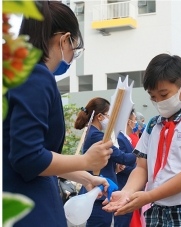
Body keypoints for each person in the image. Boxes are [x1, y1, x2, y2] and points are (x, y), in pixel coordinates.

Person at [3, 2, 113, 227]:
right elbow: (28, 158)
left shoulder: (19, 72)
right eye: (75, 48)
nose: (73, 55)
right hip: (30, 207)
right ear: (64, 40)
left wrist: (84, 176)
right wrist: (86, 160)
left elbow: (36, 154)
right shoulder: (37, 75)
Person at [103, 54, 181, 226]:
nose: (159, 102)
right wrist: (127, 192)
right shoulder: (152, 126)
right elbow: (142, 167)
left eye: (164, 94)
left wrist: (149, 196)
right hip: (158, 209)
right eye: (153, 97)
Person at [74, 97, 137, 227]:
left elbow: (100, 161)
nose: (110, 119)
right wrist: (142, 153)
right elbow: (122, 157)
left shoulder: (91, 133)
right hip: (99, 192)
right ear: (100, 117)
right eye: (108, 115)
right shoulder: (96, 135)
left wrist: (114, 167)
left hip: (98, 191)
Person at [114, 109, 141, 227]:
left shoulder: (126, 138)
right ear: (128, 121)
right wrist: (139, 170)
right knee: (122, 220)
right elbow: (122, 166)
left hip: (129, 185)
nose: (135, 123)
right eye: (134, 120)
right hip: (123, 184)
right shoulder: (120, 138)